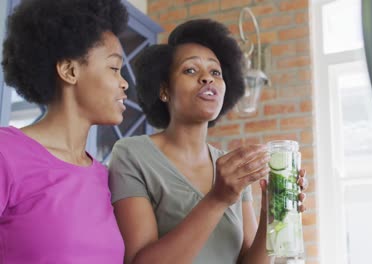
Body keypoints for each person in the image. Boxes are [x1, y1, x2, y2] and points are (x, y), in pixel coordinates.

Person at [108, 19, 308, 264]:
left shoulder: (232, 167)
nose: (207, 79)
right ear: (164, 90)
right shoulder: (132, 154)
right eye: (190, 70)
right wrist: (218, 199)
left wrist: (271, 214)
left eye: (216, 72)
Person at [0, 0, 129, 262]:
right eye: (114, 68)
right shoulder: (6, 154)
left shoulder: (104, 177)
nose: (124, 83)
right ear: (70, 70)